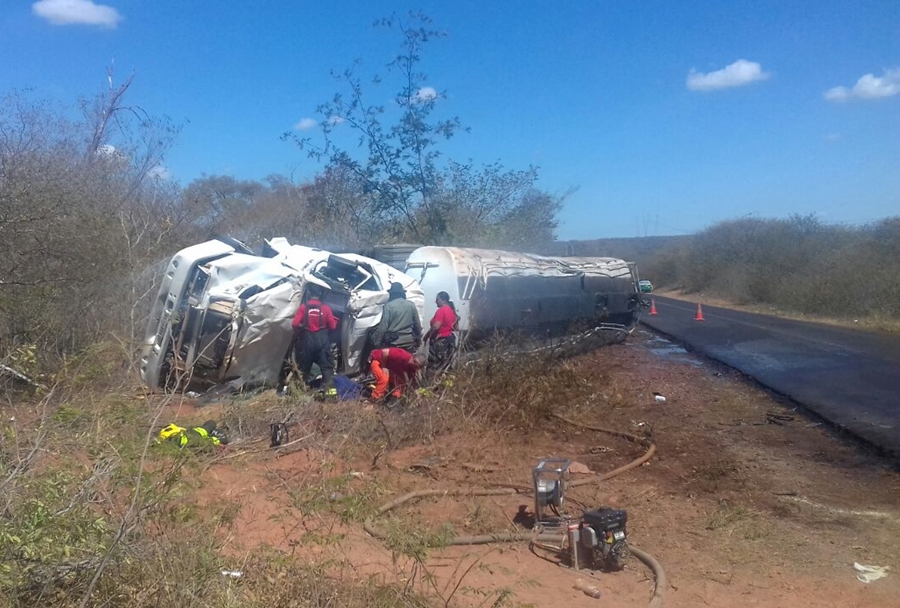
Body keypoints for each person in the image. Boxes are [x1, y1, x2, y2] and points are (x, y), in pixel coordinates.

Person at [278, 284, 338, 396]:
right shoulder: (326, 308)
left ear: (309, 294)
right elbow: (333, 326)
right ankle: (330, 396)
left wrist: (299, 333)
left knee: (302, 370)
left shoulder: (303, 308)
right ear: (320, 295)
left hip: (306, 342)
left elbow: (295, 324)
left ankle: (297, 394)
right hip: (322, 342)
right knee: (327, 370)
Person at [370, 282, 422, 353]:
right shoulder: (411, 305)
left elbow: (383, 327)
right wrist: (418, 340)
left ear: (392, 294)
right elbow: (417, 325)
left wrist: (377, 343)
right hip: (408, 342)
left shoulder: (389, 306)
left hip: (394, 342)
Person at [424, 291, 458, 371]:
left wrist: (428, 336)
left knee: (435, 366)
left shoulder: (441, 310)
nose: (435, 301)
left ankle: (431, 382)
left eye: (437, 299)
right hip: (450, 340)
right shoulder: (451, 311)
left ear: (443, 300)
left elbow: (436, 326)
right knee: (446, 364)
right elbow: (455, 327)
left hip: (441, 342)